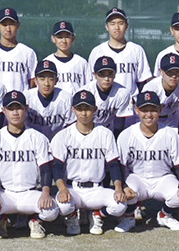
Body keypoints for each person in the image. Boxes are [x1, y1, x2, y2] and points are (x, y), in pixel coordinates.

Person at [0, 91, 59, 239]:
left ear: (26, 109)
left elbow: (46, 169)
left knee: (52, 211)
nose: (15, 112)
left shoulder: (37, 137)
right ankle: (2, 220)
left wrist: (46, 193)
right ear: (3, 111)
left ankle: (35, 220)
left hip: (29, 193)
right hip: (5, 194)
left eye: (19, 108)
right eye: (10, 108)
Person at [51, 90, 130, 235]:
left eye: (87, 108)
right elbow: (56, 167)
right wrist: (62, 189)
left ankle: (98, 214)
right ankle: (72, 216)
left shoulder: (105, 133)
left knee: (120, 205)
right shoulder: (63, 135)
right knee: (62, 206)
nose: (83, 113)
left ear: (95, 109)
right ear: (72, 109)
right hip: (72, 188)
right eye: (79, 108)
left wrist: (118, 188)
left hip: (96, 190)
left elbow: (113, 165)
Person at [116, 90, 179, 232]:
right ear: (136, 110)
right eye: (144, 110)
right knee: (127, 194)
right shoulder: (126, 135)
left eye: (153, 110)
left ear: (160, 109)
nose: (149, 114)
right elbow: (119, 166)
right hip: (137, 177)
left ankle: (165, 215)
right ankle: (130, 217)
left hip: (163, 178)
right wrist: (124, 185)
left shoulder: (170, 133)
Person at [135, 53, 179, 141]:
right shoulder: (151, 88)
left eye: (177, 72)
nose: (173, 76)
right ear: (161, 72)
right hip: (153, 119)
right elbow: (146, 112)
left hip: (173, 118)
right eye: (169, 72)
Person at [87, 8, 152, 92]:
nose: (117, 27)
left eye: (120, 23)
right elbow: (92, 82)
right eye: (112, 24)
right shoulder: (97, 51)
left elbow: (142, 80)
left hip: (131, 102)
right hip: (105, 103)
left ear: (126, 26)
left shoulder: (137, 50)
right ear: (107, 27)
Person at [0, 7, 37, 92]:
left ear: (18, 25)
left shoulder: (28, 52)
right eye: (4, 24)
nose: (8, 29)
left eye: (12, 24)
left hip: (19, 103)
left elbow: (32, 82)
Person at [84, 56, 134, 137]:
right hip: (89, 130)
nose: (106, 79)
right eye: (102, 75)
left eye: (110, 74)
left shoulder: (123, 93)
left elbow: (119, 123)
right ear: (95, 75)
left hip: (110, 130)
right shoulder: (86, 92)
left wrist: (114, 139)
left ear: (115, 74)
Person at [25, 60, 74, 140]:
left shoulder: (66, 98)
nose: (46, 83)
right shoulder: (27, 98)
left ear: (56, 80)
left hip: (60, 142)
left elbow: (71, 127)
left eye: (51, 78)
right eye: (42, 78)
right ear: (35, 81)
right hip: (31, 143)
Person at [44, 20, 91, 92]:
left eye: (67, 37)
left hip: (76, 102)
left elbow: (88, 87)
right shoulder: (47, 62)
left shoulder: (81, 62)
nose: (64, 41)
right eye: (60, 37)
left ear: (73, 38)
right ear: (53, 39)